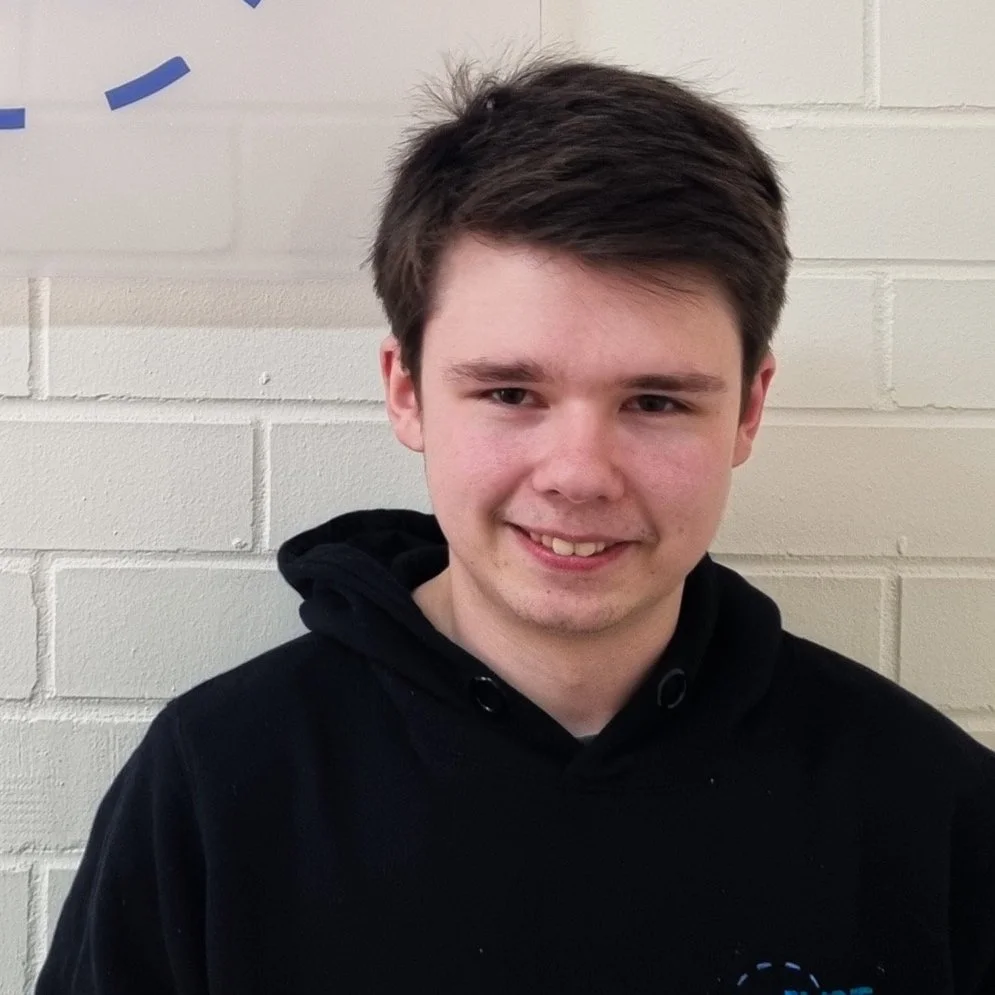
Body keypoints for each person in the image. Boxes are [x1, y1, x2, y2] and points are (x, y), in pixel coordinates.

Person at [37, 54, 995, 995]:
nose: (579, 474)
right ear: (405, 392)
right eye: (508, 391)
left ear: (747, 409)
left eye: (657, 402)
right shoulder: (218, 783)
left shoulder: (931, 807)